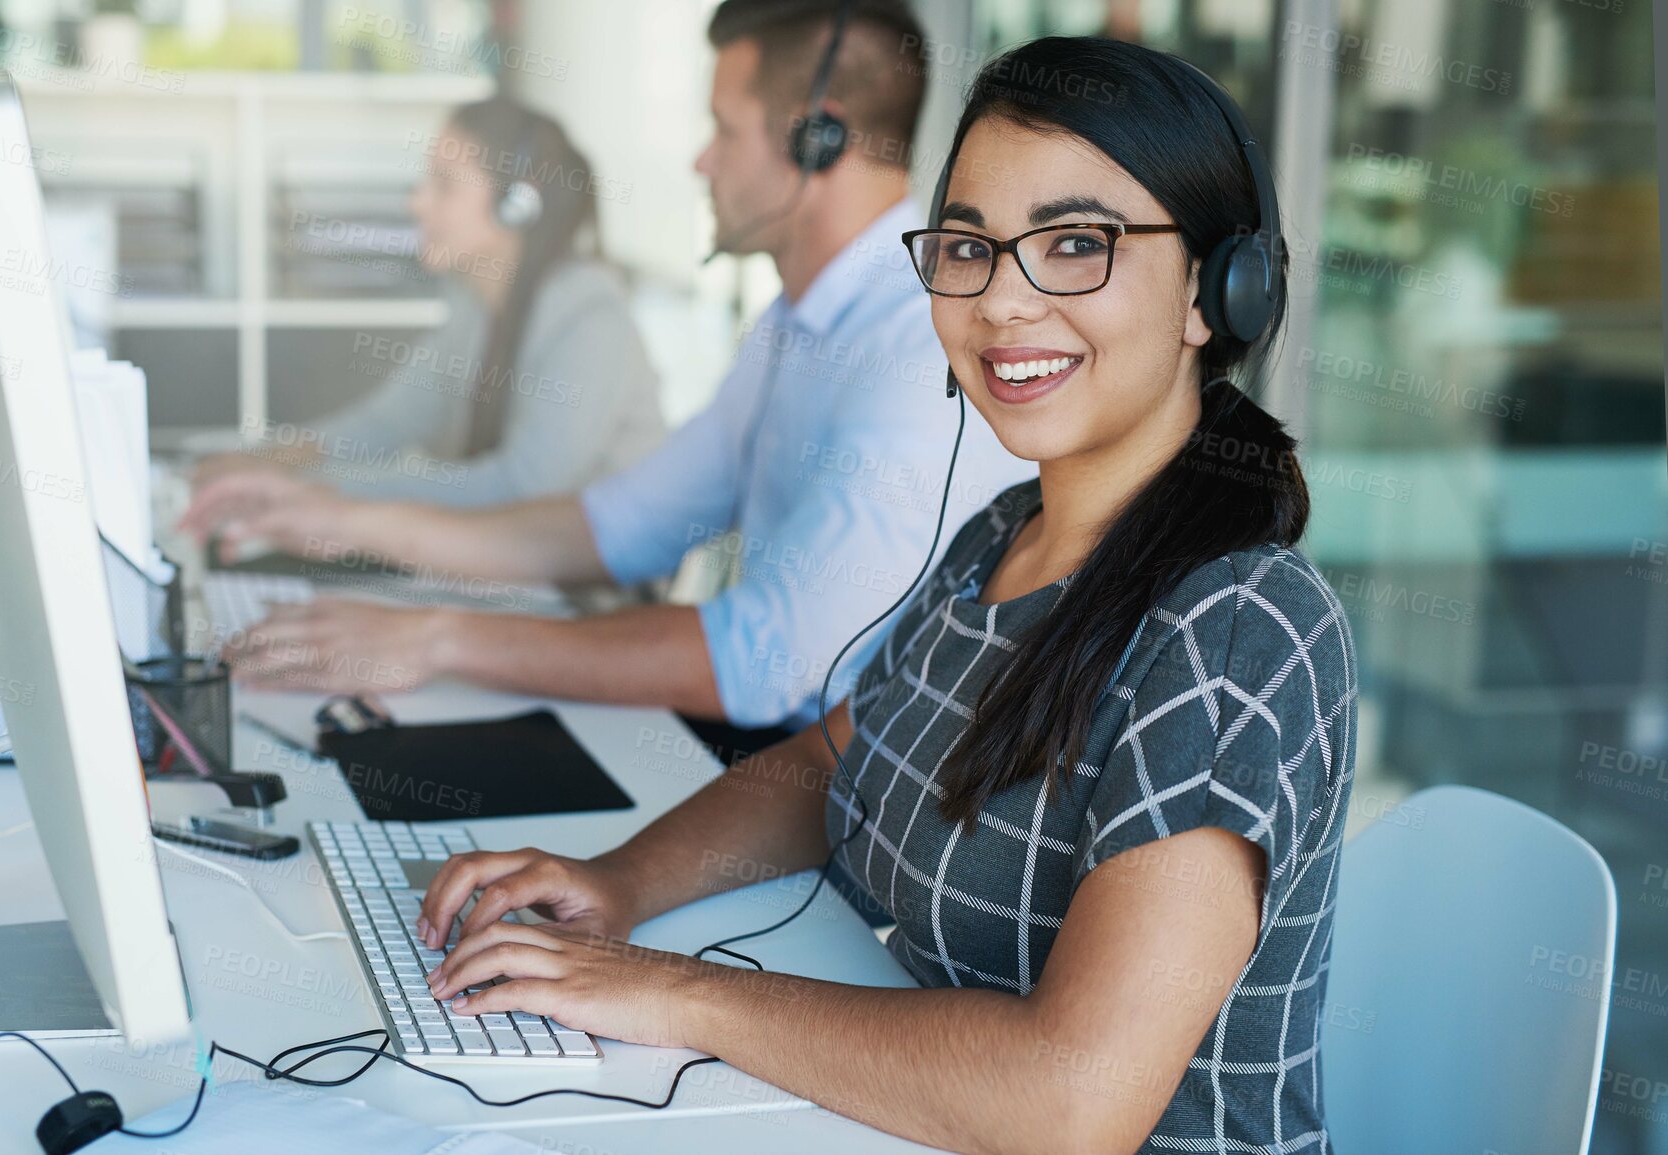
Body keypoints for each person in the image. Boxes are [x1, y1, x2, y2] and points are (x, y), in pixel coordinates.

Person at [408, 36, 1358, 1155]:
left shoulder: (1235, 630)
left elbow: (1067, 1104)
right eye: (969, 247)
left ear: (1214, 292)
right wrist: (615, 885)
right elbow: (828, 765)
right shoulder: (1003, 537)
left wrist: (674, 994)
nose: (1003, 302)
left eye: (1073, 245)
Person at [181, 0, 1031, 759]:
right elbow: (621, 526)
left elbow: (766, 661)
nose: (702, 162)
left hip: (839, 805)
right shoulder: (794, 328)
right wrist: (337, 516)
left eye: (723, 129)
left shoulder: (917, 345)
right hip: (765, 758)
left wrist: (435, 637)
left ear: (820, 137)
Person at [195, 99, 664, 506]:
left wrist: (312, 492)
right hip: (518, 574)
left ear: (515, 206)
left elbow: (519, 488)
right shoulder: (474, 309)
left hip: (594, 598)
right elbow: (382, 426)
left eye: (444, 185)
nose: (417, 203)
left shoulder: (591, 320)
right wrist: (256, 464)